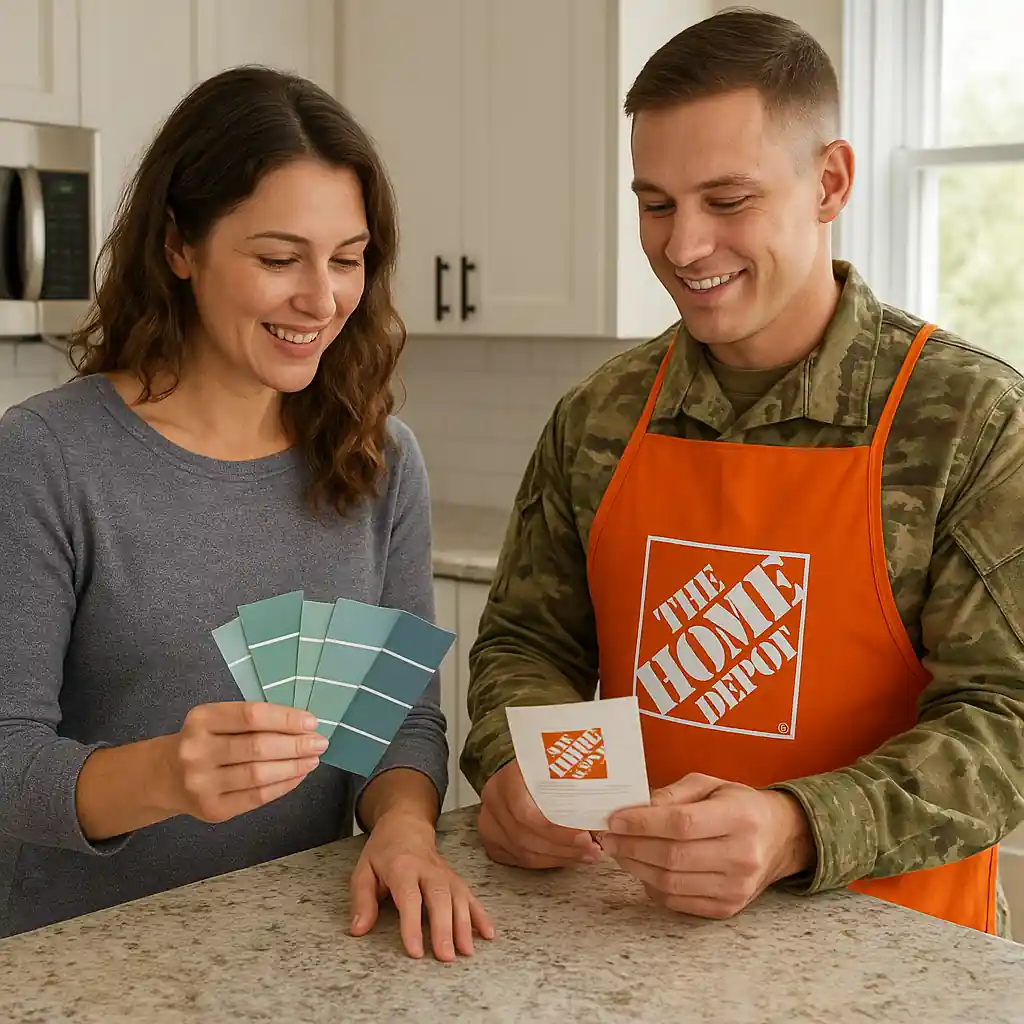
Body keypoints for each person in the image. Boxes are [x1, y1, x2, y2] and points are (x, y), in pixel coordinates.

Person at [460, 8, 1024, 938]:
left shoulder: (972, 422)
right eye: (655, 203)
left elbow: (1007, 715)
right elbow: (527, 643)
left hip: (901, 951)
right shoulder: (599, 416)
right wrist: (529, 775)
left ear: (830, 181)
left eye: (728, 202)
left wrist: (799, 827)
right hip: (636, 932)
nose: (683, 248)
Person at [0, 66, 494, 960]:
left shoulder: (379, 463)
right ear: (178, 246)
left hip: (302, 944)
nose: (322, 298)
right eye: (278, 259)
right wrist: (160, 775)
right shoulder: (48, 458)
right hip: (81, 961)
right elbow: (5, 759)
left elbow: (400, 724)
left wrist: (403, 832)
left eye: (347, 259)